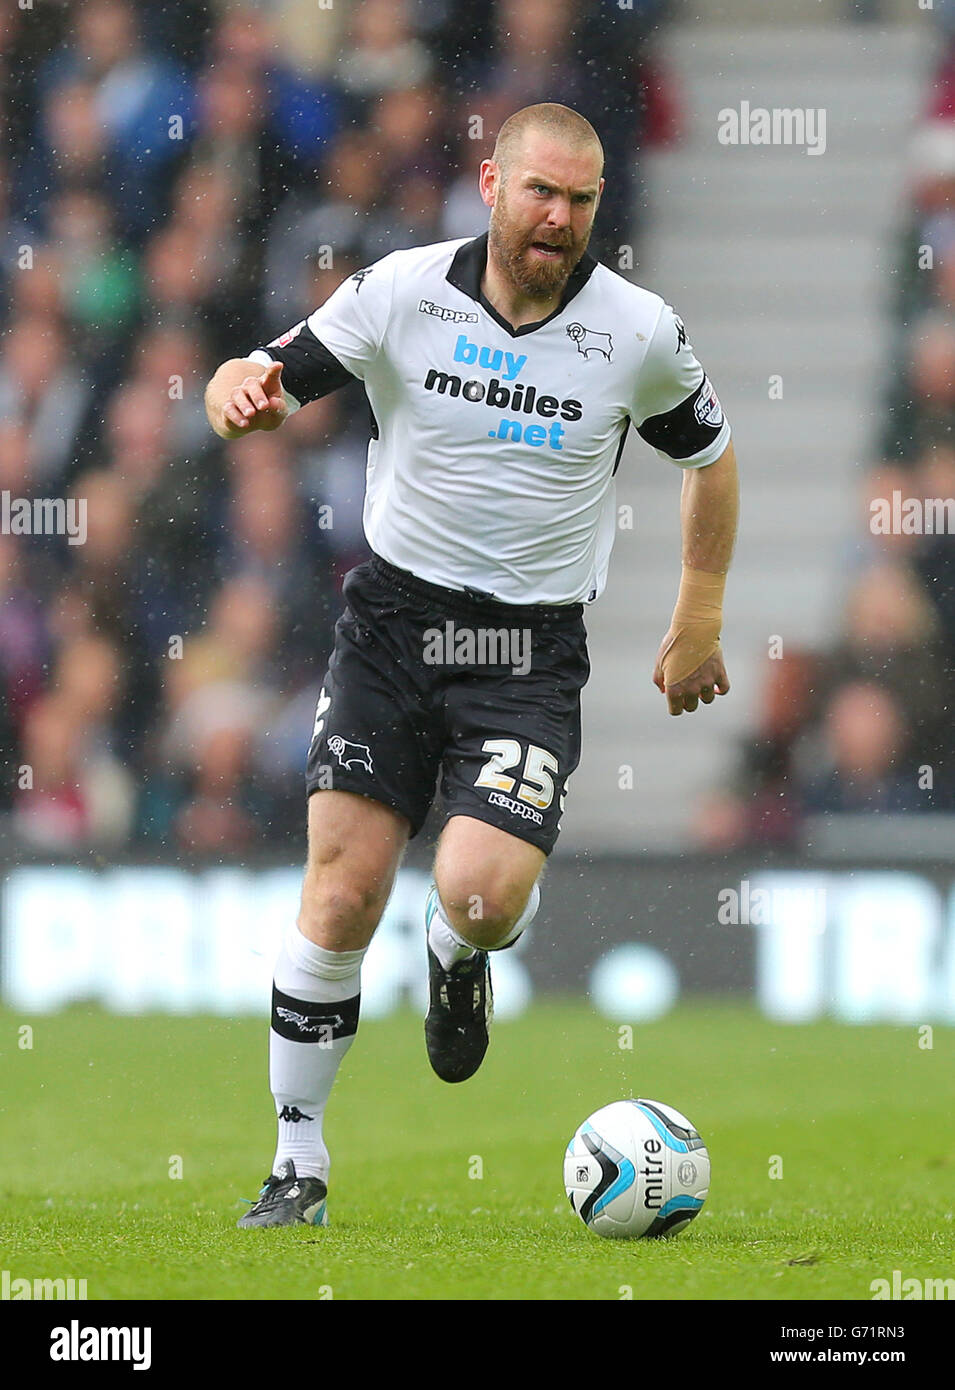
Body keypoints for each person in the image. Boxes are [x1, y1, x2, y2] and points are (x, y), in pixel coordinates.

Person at [203, 103, 738, 1229]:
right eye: (540, 191)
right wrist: (233, 390)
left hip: (527, 652)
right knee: (340, 891)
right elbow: (270, 370)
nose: (558, 219)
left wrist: (698, 612)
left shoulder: (635, 331)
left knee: (483, 895)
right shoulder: (400, 291)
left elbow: (712, 457)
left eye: (581, 201)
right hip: (393, 627)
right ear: (491, 182)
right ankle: (297, 1162)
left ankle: (458, 951)